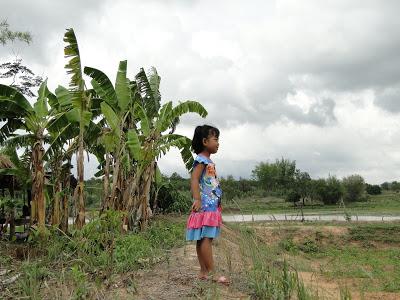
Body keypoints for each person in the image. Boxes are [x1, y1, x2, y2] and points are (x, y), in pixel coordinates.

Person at [186, 125, 229, 284]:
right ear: (205, 141)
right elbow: (195, 179)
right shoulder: (201, 160)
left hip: (211, 205)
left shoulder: (208, 161)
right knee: (206, 238)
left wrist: (218, 202)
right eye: (215, 139)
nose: (218, 143)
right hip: (205, 206)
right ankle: (211, 273)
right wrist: (197, 199)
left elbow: (211, 184)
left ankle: (203, 271)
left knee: (202, 238)